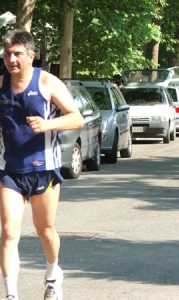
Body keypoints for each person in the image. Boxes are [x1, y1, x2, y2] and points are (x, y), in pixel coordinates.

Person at [0, 30, 84, 300]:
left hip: (43, 168)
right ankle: (11, 295)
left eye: (17, 54)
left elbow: (77, 119)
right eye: (7, 53)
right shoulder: (0, 84)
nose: (11, 59)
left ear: (31, 56)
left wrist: (48, 124)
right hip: (9, 169)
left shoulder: (47, 82)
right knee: (8, 232)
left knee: (45, 231)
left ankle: (52, 275)